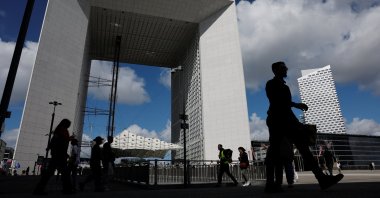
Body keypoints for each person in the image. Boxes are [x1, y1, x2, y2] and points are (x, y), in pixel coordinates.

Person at [264, 62, 343, 193]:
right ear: (276, 70)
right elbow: (277, 102)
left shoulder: (285, 86)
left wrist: (296, 118)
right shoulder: (271, 84)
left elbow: (285, 107)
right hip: (278, 121)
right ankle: (271, 184)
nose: (286, 69)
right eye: (283, 67)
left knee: (301, 150)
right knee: (275, 153)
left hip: (286, 121)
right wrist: (295, 105)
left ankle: (321, 178)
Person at [33, 119, 73, 195]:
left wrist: (50, 147)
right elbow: (62, 143)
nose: (69, 125)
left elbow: (55, 141)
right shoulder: (63, 131)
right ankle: (67, 189)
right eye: (69, 124)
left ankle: (38, 189)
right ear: (66, 124)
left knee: (49, 173)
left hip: (56, 155)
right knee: (65, 173)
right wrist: (67, 142)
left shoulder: (59, 130)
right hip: (60, 156)